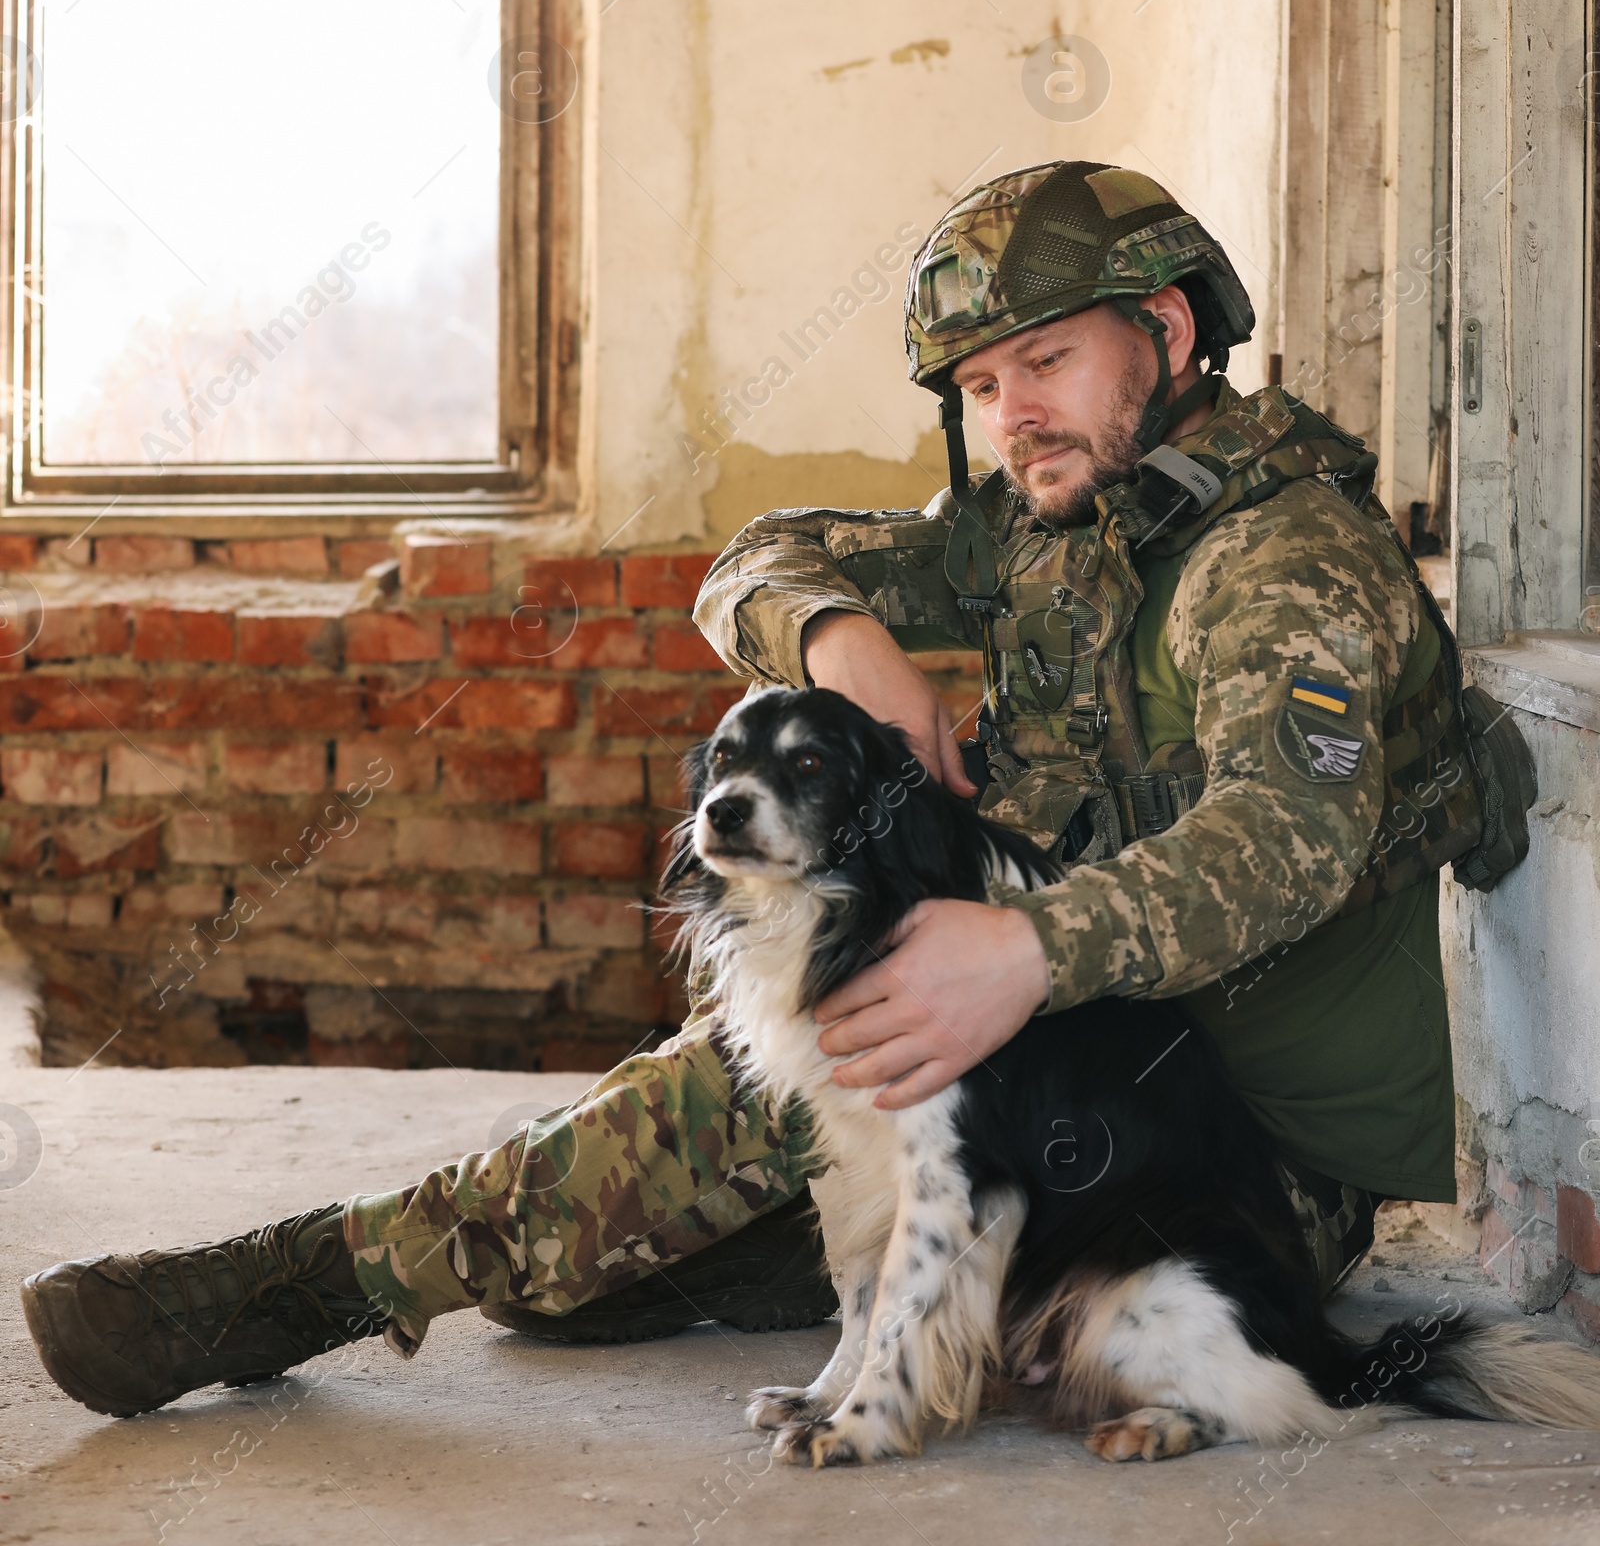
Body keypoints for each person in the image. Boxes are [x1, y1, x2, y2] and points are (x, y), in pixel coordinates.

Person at [21, 159, 1525, 1418]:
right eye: (987, 385)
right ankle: (557, 1248)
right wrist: (846, 639)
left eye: (1049, 363)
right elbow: (755, 556)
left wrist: (1026, 951)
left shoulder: (1282, 558)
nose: (1016, 417)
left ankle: (299, 1286)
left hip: (1226, 1158)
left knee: (748, 1096)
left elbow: (1288, 842)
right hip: (1051, 1063)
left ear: (1170, 329)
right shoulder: (1045, 523)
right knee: (638, 1221)